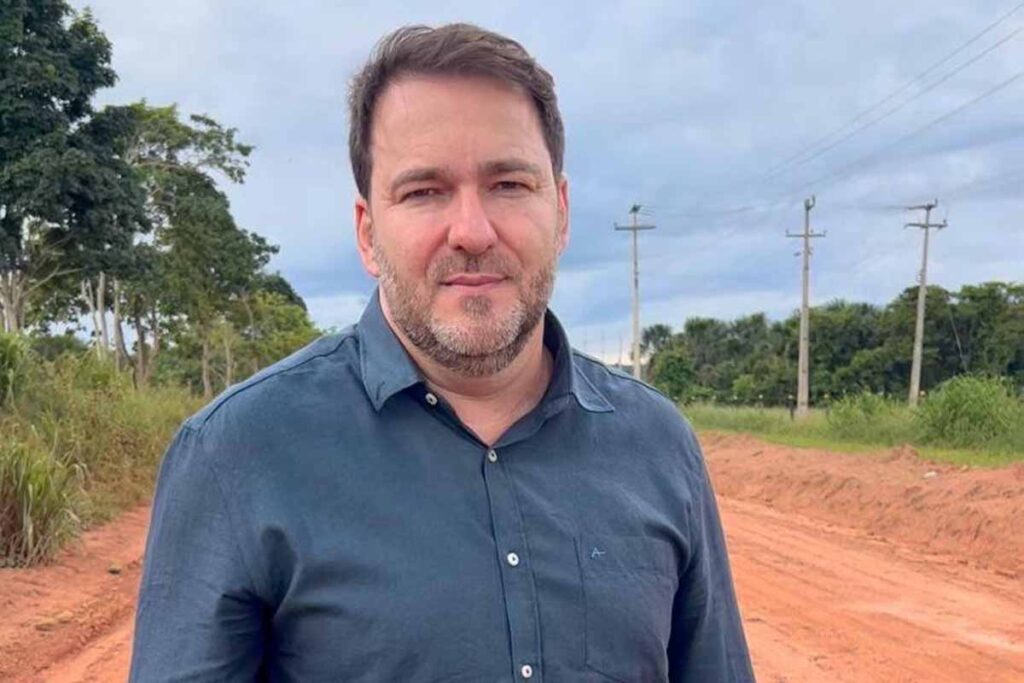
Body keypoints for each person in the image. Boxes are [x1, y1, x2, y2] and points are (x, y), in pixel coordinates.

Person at [129, 23, 755, 683]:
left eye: (509, 184)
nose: (473, 232)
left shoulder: (658, 443)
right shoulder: (237, 452)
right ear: (368, 233)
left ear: (562, 212)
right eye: (424, 191)